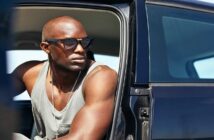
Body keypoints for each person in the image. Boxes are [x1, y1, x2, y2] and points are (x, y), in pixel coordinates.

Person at [12, 16, 117, 140]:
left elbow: (82, 138)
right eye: (69, 43)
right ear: (46, 47)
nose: (80, 49)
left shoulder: (101, 77)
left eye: (84, 42)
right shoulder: (29, 74)